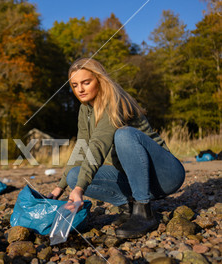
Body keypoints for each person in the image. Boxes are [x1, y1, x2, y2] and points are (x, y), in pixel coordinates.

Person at [48, 58, 185, 239]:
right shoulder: (85, 109)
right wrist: (59, 189)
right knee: (75, 175)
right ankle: (129, 206)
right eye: (74, 85)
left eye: (86, 82)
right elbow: (82, 149)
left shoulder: (115, 101)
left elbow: (97, 145)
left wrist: (80, 190)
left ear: (100, 79)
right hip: (135, 180)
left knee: (124, 135)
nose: (80, 89)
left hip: (165, 175)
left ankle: (143, 211)